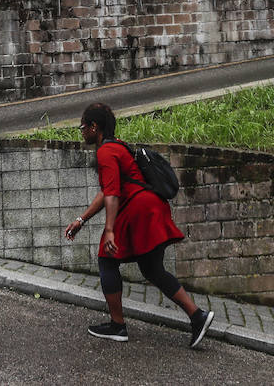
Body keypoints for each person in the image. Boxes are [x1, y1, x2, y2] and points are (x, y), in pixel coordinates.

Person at [64, 102, 214, 347]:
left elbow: (112, 193)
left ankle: (117, 325)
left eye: (83, 127)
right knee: (152, 269)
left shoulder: (105, 152)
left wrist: (110, 230)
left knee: (106, 259)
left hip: (138, 209)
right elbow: (107, 191)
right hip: (151, 207)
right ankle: (198, 316)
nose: (81, 132)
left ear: (94, 127)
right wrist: (82, 220)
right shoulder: (118, 146)